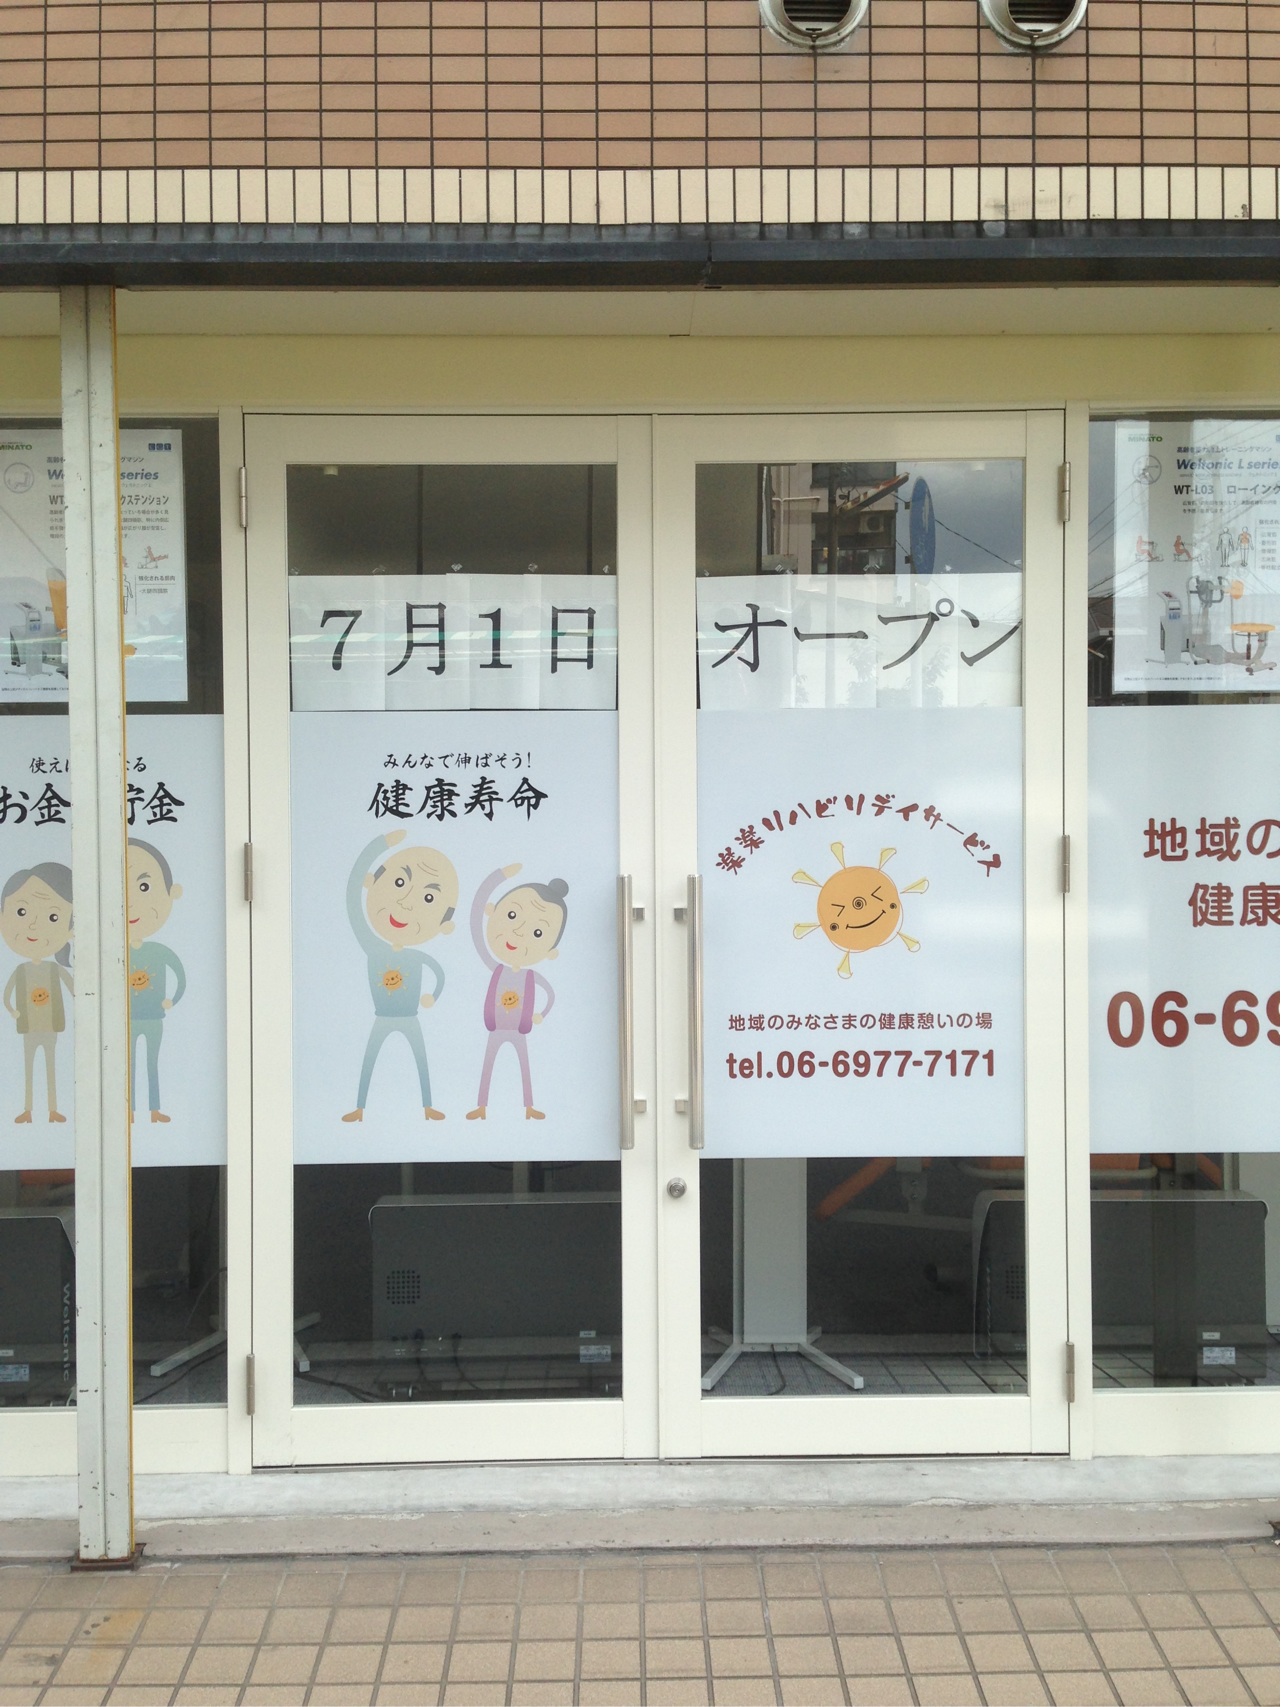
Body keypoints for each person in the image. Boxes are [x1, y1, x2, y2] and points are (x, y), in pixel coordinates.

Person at [342, 828, 458, 1123]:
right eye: (399, 882)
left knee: (421, 1060)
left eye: (428, 897)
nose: (406, 902)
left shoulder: (415, 956)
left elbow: (439, 973)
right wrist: (378, 846)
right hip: (382, 1016)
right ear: (372, 881)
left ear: (444, 924)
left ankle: (427, 1107)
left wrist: (433, 996)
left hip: (410, 1017)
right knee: (370, 1059)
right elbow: (353, 899)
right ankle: (360, 1108)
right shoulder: (373, 947)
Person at [466, 864, 567, 1122]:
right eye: (512, 915)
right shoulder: (497, 968)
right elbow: (476, 924)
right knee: (488, 1064)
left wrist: (540, 1014)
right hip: (496, 1027)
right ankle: (481, 1106)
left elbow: (550, 994)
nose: (519, 932)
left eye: (537, 932)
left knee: (524, 1066)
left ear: (550, 952)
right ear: (493, 911)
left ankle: (529, 1107)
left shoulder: (530, 976)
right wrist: (497, 878)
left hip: (519, 1029)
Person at [0, 863, 73, 1124]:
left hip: (50, 1026)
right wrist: (12, 1010)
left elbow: (77, 989)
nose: (33, 925)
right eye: (21, 912)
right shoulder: (20, 970)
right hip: (29, 1026)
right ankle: (28, 1110)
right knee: (29, 1068)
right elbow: (7, 994)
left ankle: (53, 1110)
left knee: (51, 1068)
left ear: (70, 929)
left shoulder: (55, 969)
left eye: (53, 917)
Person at [127, 838, 185, 1124]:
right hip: (128, 1019)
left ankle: (154, 1109)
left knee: (151, 1063)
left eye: (144, 887)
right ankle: (128, 1111)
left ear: (172, 893)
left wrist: (172, 999)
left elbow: (180, 976)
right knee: (128, 1066)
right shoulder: (119, 953)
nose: (131, 902)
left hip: (154, 1018)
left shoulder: (160, 951)